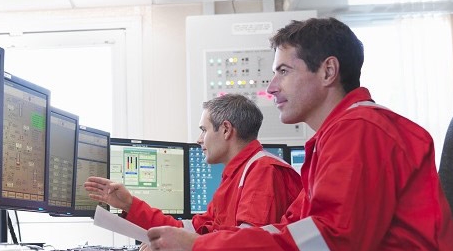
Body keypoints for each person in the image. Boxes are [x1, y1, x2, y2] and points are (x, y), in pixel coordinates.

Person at [85, 17, 453, 251]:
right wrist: (196, 244)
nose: (271, 86)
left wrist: (201, 250)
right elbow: (290, 231)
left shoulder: (362, 131)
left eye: (283, 71)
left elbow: (329, 244)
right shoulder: (335, 137)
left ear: (328, 71)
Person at [86, 94, 301, 235]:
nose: (199, 139)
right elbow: (188, 230)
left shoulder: (263, 171)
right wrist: (129, 205)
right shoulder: (237, 176)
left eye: (204, 130)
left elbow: (247, 245)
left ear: (226, 130)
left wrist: (177, 248)